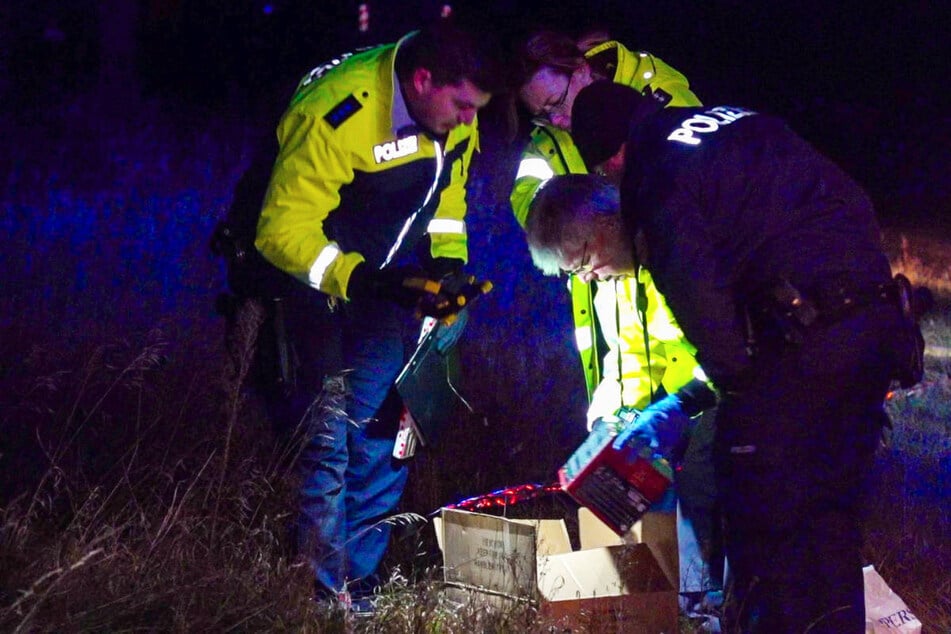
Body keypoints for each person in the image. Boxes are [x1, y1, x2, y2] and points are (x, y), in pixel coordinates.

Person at [525, 80, 920, 633]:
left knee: (762, 526)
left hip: (809, 347)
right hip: (874, 325)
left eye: (582, 263)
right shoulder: (732, 125)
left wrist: (691, 411)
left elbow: (725, 347)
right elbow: (849, 197)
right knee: (829, 527)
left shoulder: (658, 187)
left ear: (610, 174)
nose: (589, 278)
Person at [254, 21, 503, 612]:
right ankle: (319, 595)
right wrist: (360, 277)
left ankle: (358, 588)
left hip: (384, 290)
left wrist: (448, 264)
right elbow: (280, 229)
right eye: (464, 106)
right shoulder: (338, 113)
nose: (472, 120)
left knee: (385, 434)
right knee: (327, 444)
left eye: (479, 109)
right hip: (311, 287)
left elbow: (448, 196)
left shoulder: (454, 117)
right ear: (421, 81)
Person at [511, 30, 724, 606]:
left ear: (583, 68)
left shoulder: (657, 94)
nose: (554, 121)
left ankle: (706, 601)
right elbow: (535, 209)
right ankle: (664, 594)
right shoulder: (549, 144)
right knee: (633, 461)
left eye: (556, 103)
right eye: (539, 114)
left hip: (688, 328)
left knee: (703, 472)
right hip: (625, 325)